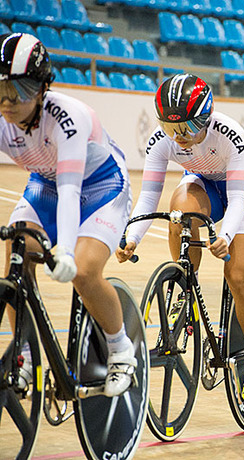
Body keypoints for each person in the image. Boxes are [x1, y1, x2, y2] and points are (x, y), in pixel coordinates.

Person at [116, 74, 244, 401]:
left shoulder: (229, 135)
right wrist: (131, 237)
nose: (180, 138)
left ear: (205, 119)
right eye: (171, 129)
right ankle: (184, 286)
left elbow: (236, 200)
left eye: (188, 129)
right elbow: (149, 199)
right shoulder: (163, 142)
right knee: (179, 211)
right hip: (205, 184)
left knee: (238, 274)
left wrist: (226, 235)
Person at [0, 33, 135, 396]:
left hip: (100, 186)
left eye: (21, 89)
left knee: (86, 272)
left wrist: (69, 252)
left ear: (43, 89)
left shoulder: (67, 117)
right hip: (46, 183)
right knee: (18, 250)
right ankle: (25, 354)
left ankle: (121, 349)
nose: (9, 102)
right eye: (0, 90)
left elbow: (72, 190)